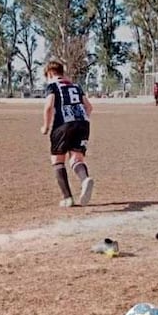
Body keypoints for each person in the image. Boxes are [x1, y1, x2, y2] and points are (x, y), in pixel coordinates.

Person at [40, 60, 94, 208]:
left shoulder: (52, 86)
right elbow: (89, 107)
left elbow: (49, 106)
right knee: (76, 159)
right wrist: (82, 120)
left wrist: (45, 126)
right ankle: (84, 180)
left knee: (57, 160)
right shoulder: (76, 86)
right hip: (83, 123)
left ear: (50, 74)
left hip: (63, 124)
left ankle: (67, 198)